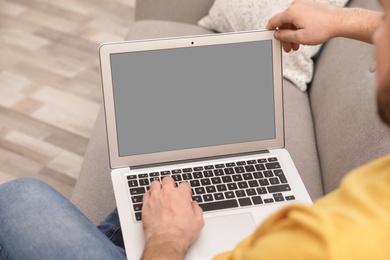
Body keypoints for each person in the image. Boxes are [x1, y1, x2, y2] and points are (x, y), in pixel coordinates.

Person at [0, 0, 388, 259]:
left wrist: (166, 238)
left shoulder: (320, 241)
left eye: (383, 23)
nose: (376, 43)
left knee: (19, 198)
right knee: (159, 190)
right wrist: (341, 20)